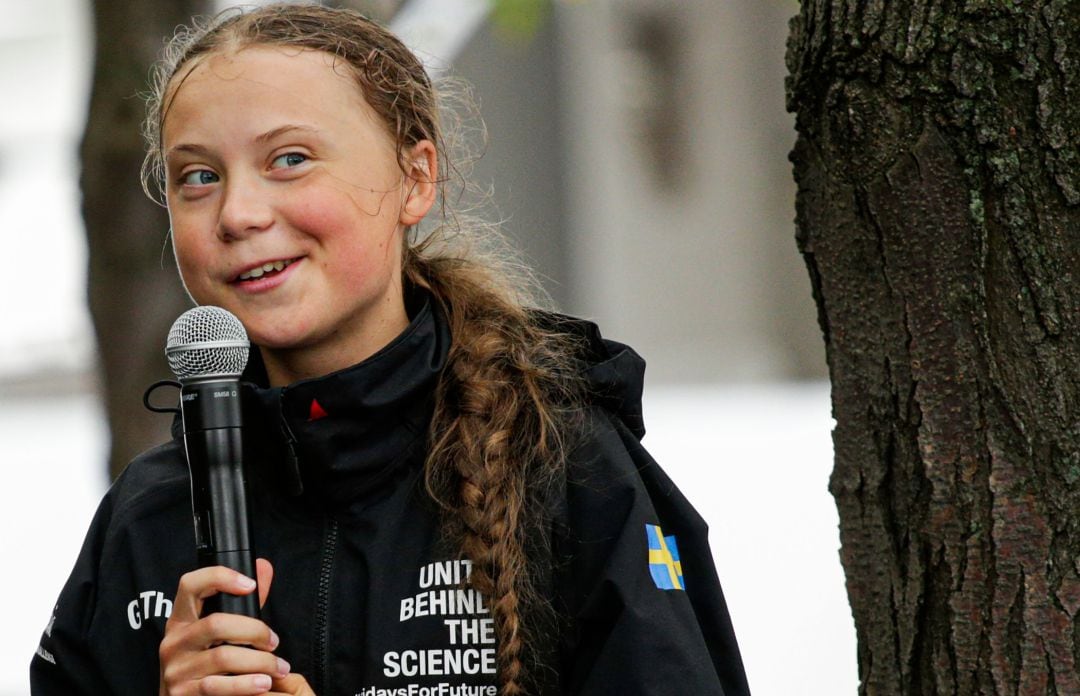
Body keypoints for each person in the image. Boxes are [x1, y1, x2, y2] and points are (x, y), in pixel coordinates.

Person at [31, 4, 749, 695]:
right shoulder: (150, 512)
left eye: (289, 159)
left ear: (416, 178)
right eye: (198, 177)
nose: (239, 214)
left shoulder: (565, 466)